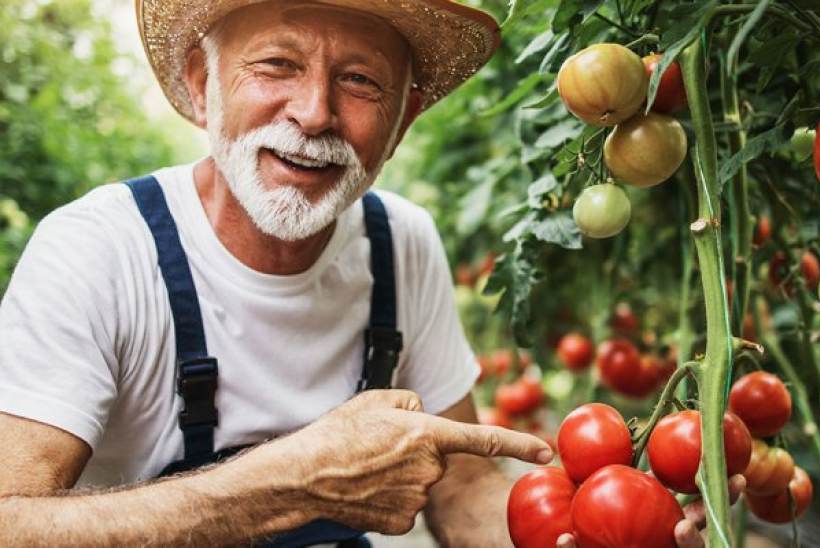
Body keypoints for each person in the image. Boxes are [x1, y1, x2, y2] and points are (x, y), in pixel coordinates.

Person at [0, 1, 740, 546]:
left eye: (360, 82)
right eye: (276, 65)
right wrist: (284, 484)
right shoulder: (99, 251)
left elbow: (465, 486)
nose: (315, 113)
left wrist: (594, 529)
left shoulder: (400, 243)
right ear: (203, 84)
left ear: (405, 119)